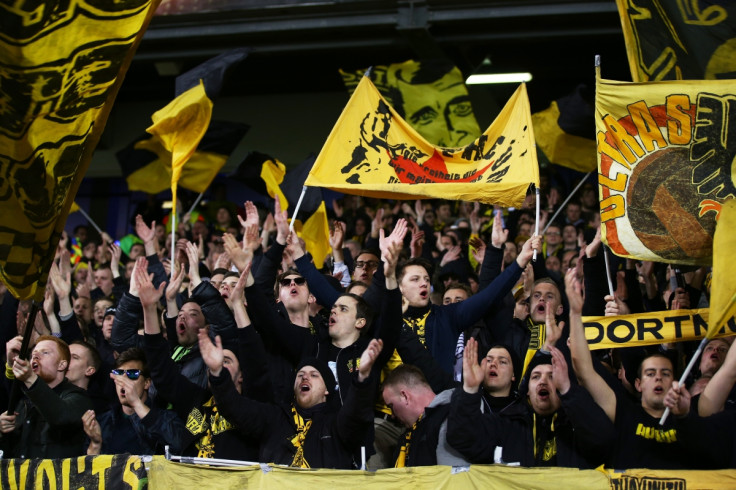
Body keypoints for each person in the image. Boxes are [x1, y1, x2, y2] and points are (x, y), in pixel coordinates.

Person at [565, 269, 693, 469]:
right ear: (638, 383)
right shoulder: (624, 412)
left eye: (665, 373)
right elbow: (584, 370)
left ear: (675, 381)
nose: (658, 378)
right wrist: (574, 312)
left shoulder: (689, 421)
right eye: (650, 373)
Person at [203, 327, 384, 469]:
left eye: (314, 375)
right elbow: (234, 408)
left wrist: (362, 378)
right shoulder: (274, 418)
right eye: (300, 375)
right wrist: (217, 373)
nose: (305, 377)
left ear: (327, 390)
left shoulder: (336, 424)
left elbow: (357, 414)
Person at [447, 339, 614, 468]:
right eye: (535, 376)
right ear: (527, 390)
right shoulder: (507, 424)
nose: (543, 381)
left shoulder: (577, 424)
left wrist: (569, 392)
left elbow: (603, 440)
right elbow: (462, 437)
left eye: (552, 376)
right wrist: (469, 389)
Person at [0, 335, 93, 458]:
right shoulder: (24, 402)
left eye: (45, 352)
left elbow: (61, 417)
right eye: (34, 353)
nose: (35, 356)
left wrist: (30, 379)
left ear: (61, 365)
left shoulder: (79, 398)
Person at [81, 347, 185, 455]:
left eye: (132, 374)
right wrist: (95, 444)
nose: (124, 381)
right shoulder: (102, 422)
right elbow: (88, 469)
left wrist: (136, 403)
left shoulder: (166, 418)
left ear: (147, 383)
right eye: (119, 374)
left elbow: (180, 445)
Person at [381, 364, 469, 467]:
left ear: (405, 396)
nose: (392, 415)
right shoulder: (407, 436)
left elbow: (452, 477)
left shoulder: (451, 419)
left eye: (391, 406)